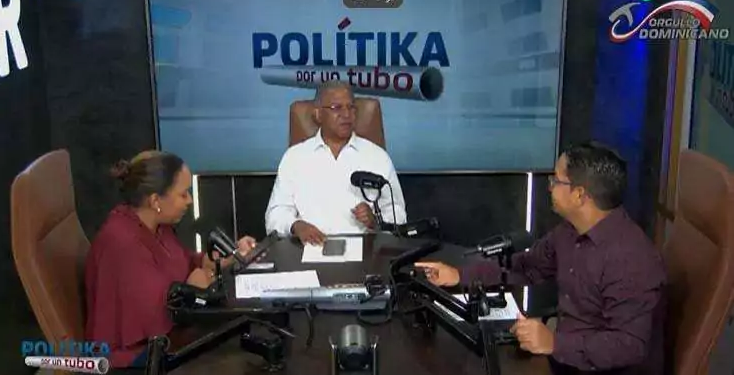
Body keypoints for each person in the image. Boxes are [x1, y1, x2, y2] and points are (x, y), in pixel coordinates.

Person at [415, 142, 666, 375]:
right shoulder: (569, 231)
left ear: (579, 195)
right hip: (565, 355)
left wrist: (555, 343)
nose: (549, 186)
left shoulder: (632, 259)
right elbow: (526, 267)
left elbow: (629, 345)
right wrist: (459, 275)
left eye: (556, 180)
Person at [85, 151, 258, 368]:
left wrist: (225, 259)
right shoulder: (121, 243)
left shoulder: (156, 225)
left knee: (244, 330)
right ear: (155, 200)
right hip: (135, 357)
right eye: (183, 194)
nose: (190, 200)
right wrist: (194, 289)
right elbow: (155, 318)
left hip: (170, 335)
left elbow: (184, 261)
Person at [265, 81, 407, 244]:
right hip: (309, 249)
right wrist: (296, 225)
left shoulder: (377, 157)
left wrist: (376, 221)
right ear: (318, 114)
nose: (346, 114)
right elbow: (274, 216)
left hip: (366, 251)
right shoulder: (294, 157)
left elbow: (398, 214)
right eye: (336, 108)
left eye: (351, 107)